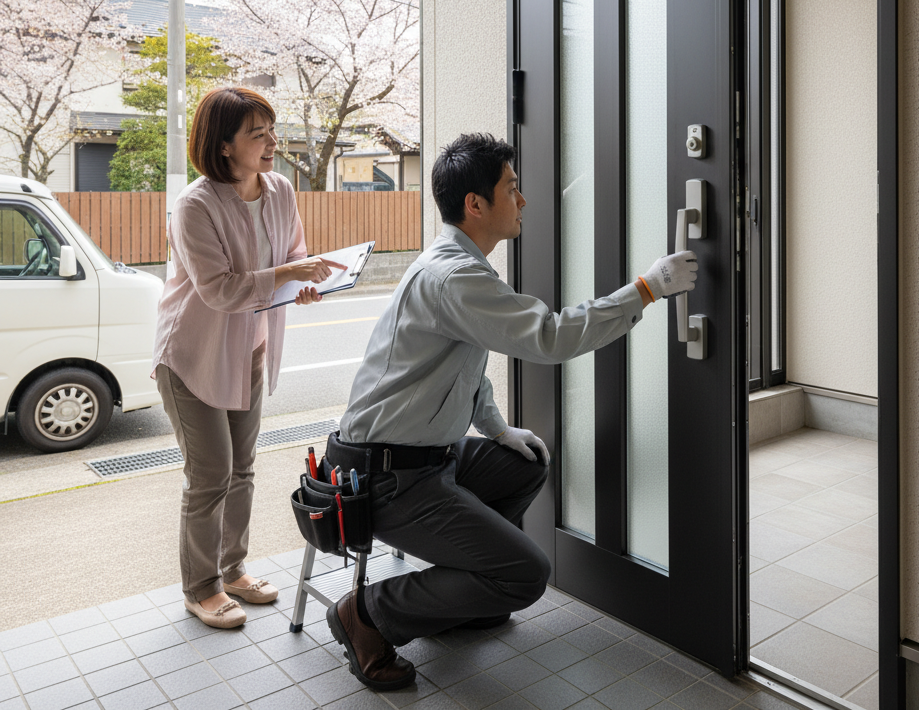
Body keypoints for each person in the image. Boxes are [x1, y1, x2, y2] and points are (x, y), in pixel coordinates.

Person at [324, 132, 698, 688]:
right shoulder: (453, 275)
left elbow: (462, 367)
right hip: (387, 477)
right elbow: (547, 336)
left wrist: (496, 429)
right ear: (475, 205)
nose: (522, 202)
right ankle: (370, 611)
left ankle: (462, 594)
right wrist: (644, 289)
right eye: (512, 189)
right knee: (528, 575)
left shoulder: (456, 263)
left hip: (423, 458)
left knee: (526, 462)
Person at [152, 86, 344, 629]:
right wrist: (286, 276)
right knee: (210, 474)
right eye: (256, 134)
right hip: (192, 353)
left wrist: (304, 280)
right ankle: (200, 586)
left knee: (242, 468)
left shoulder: (280, 188)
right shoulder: (195, 204)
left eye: (270, 131)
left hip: (250, 348)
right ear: (223, 145)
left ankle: (233, 570)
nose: (271, 143)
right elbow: (218, 290)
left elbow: (294, 254)